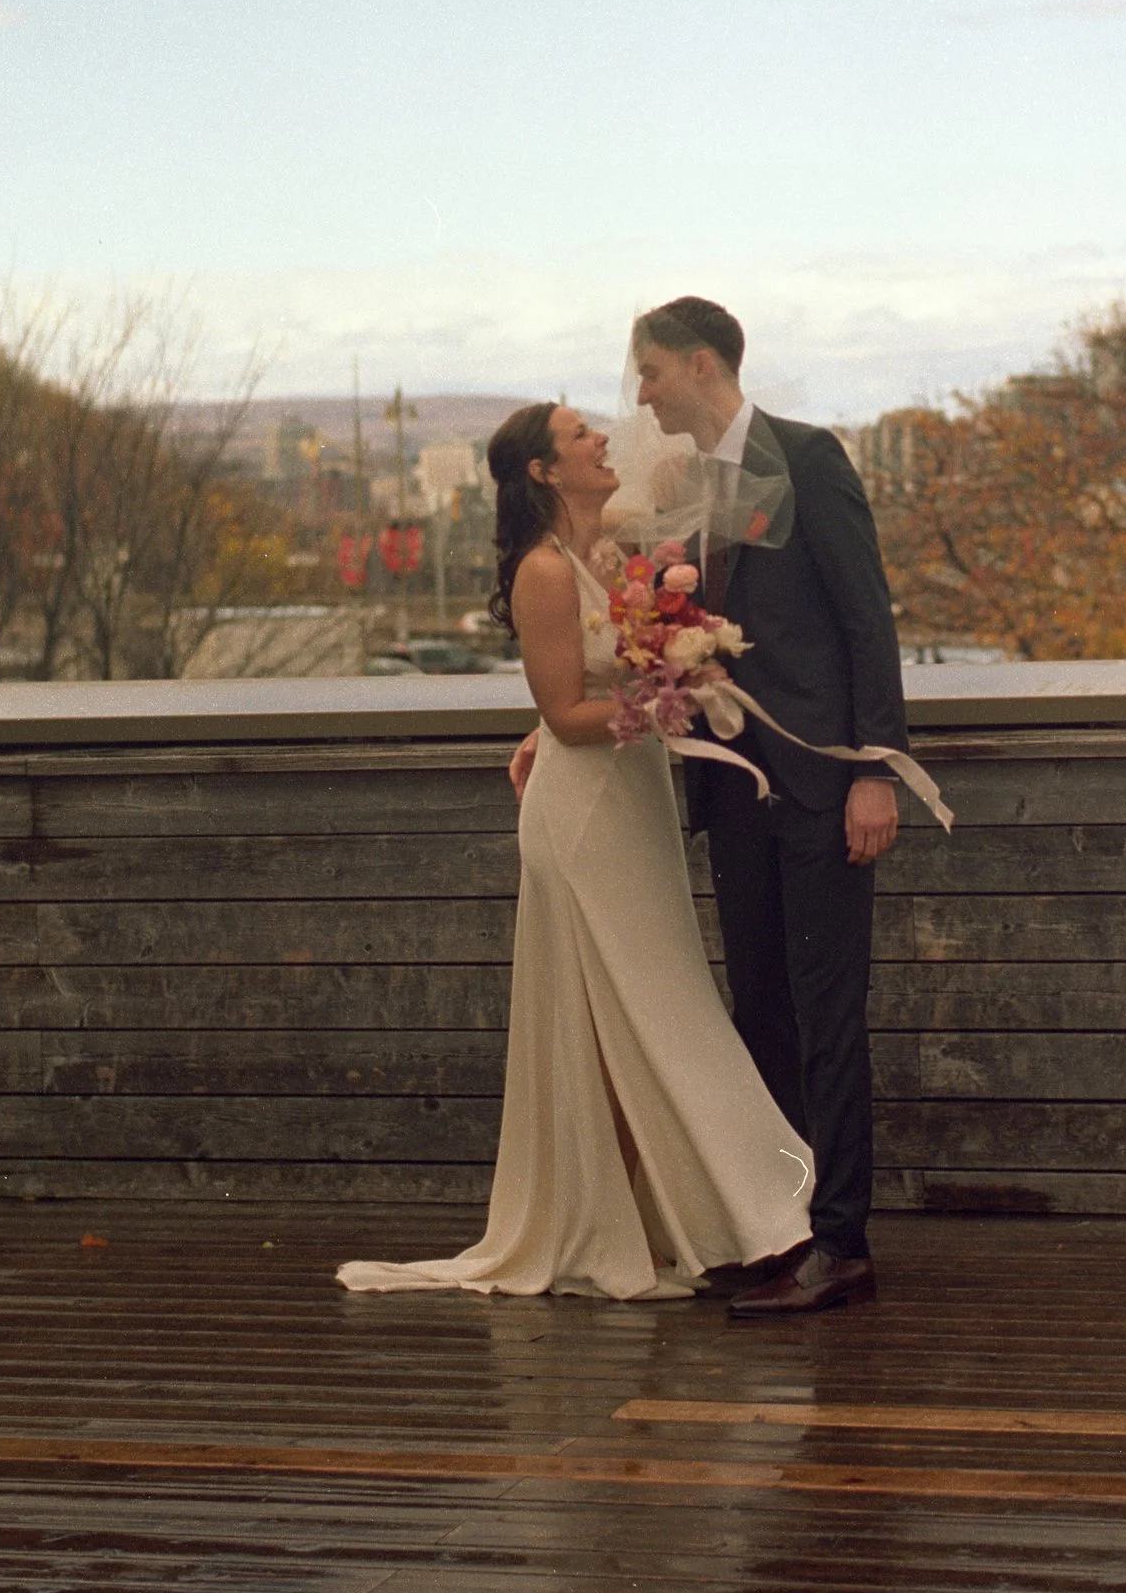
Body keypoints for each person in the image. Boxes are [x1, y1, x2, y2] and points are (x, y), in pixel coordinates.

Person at [336, 398, 814, 1304]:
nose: (603, 439)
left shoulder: (608, 553)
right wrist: (665, 701)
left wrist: (672, 665)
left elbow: (674, 514)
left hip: (629, 805)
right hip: (587, 813)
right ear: (544, 473)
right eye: (579, 436)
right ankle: (751, 1216)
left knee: (641, 1011)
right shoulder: (545, 573)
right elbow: (566, 714)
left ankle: (657, 1219)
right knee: (647, 1009)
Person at [627, 295, 906, 1316]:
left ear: (702, 364)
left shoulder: (809, 457)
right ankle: (777, 1232)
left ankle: (843, 1242)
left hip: (823, 786)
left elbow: (865, 620)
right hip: (732, 794)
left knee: (828, 1010)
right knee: (762, 1013)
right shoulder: (686, 492)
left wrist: (874, 769)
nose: (641, 392)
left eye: (652, 371)